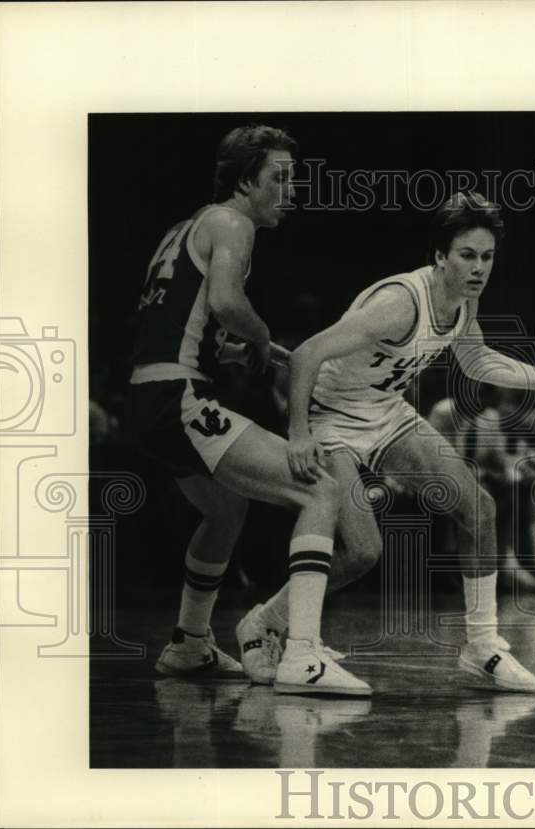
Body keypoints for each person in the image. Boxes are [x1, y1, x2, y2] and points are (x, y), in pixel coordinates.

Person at [246, 192, 535, 693]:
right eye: (467, 255)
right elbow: (306, 355)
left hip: (387, 414)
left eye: (487, 257)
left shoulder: (464, 300)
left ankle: (482, 648)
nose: (478, 268)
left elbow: (478, 362)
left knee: (480, 508)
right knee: (363, 551)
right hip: (332, 420)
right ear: (440, 256)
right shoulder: (399, 304)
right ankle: (264, 623)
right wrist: (298, 433)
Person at [126, 124, 368, 696]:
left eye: (293, 177)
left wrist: (225, 347)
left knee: (225, 511)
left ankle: (188, 645)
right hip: (177, 396)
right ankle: (303, 655)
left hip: (148, 397)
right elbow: (229, 302)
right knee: (319, 488)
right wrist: (259, 338)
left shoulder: (186, 227)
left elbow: (179, 318)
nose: (290, 189)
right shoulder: (231, 222)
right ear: (243, 181)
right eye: (277, 178)